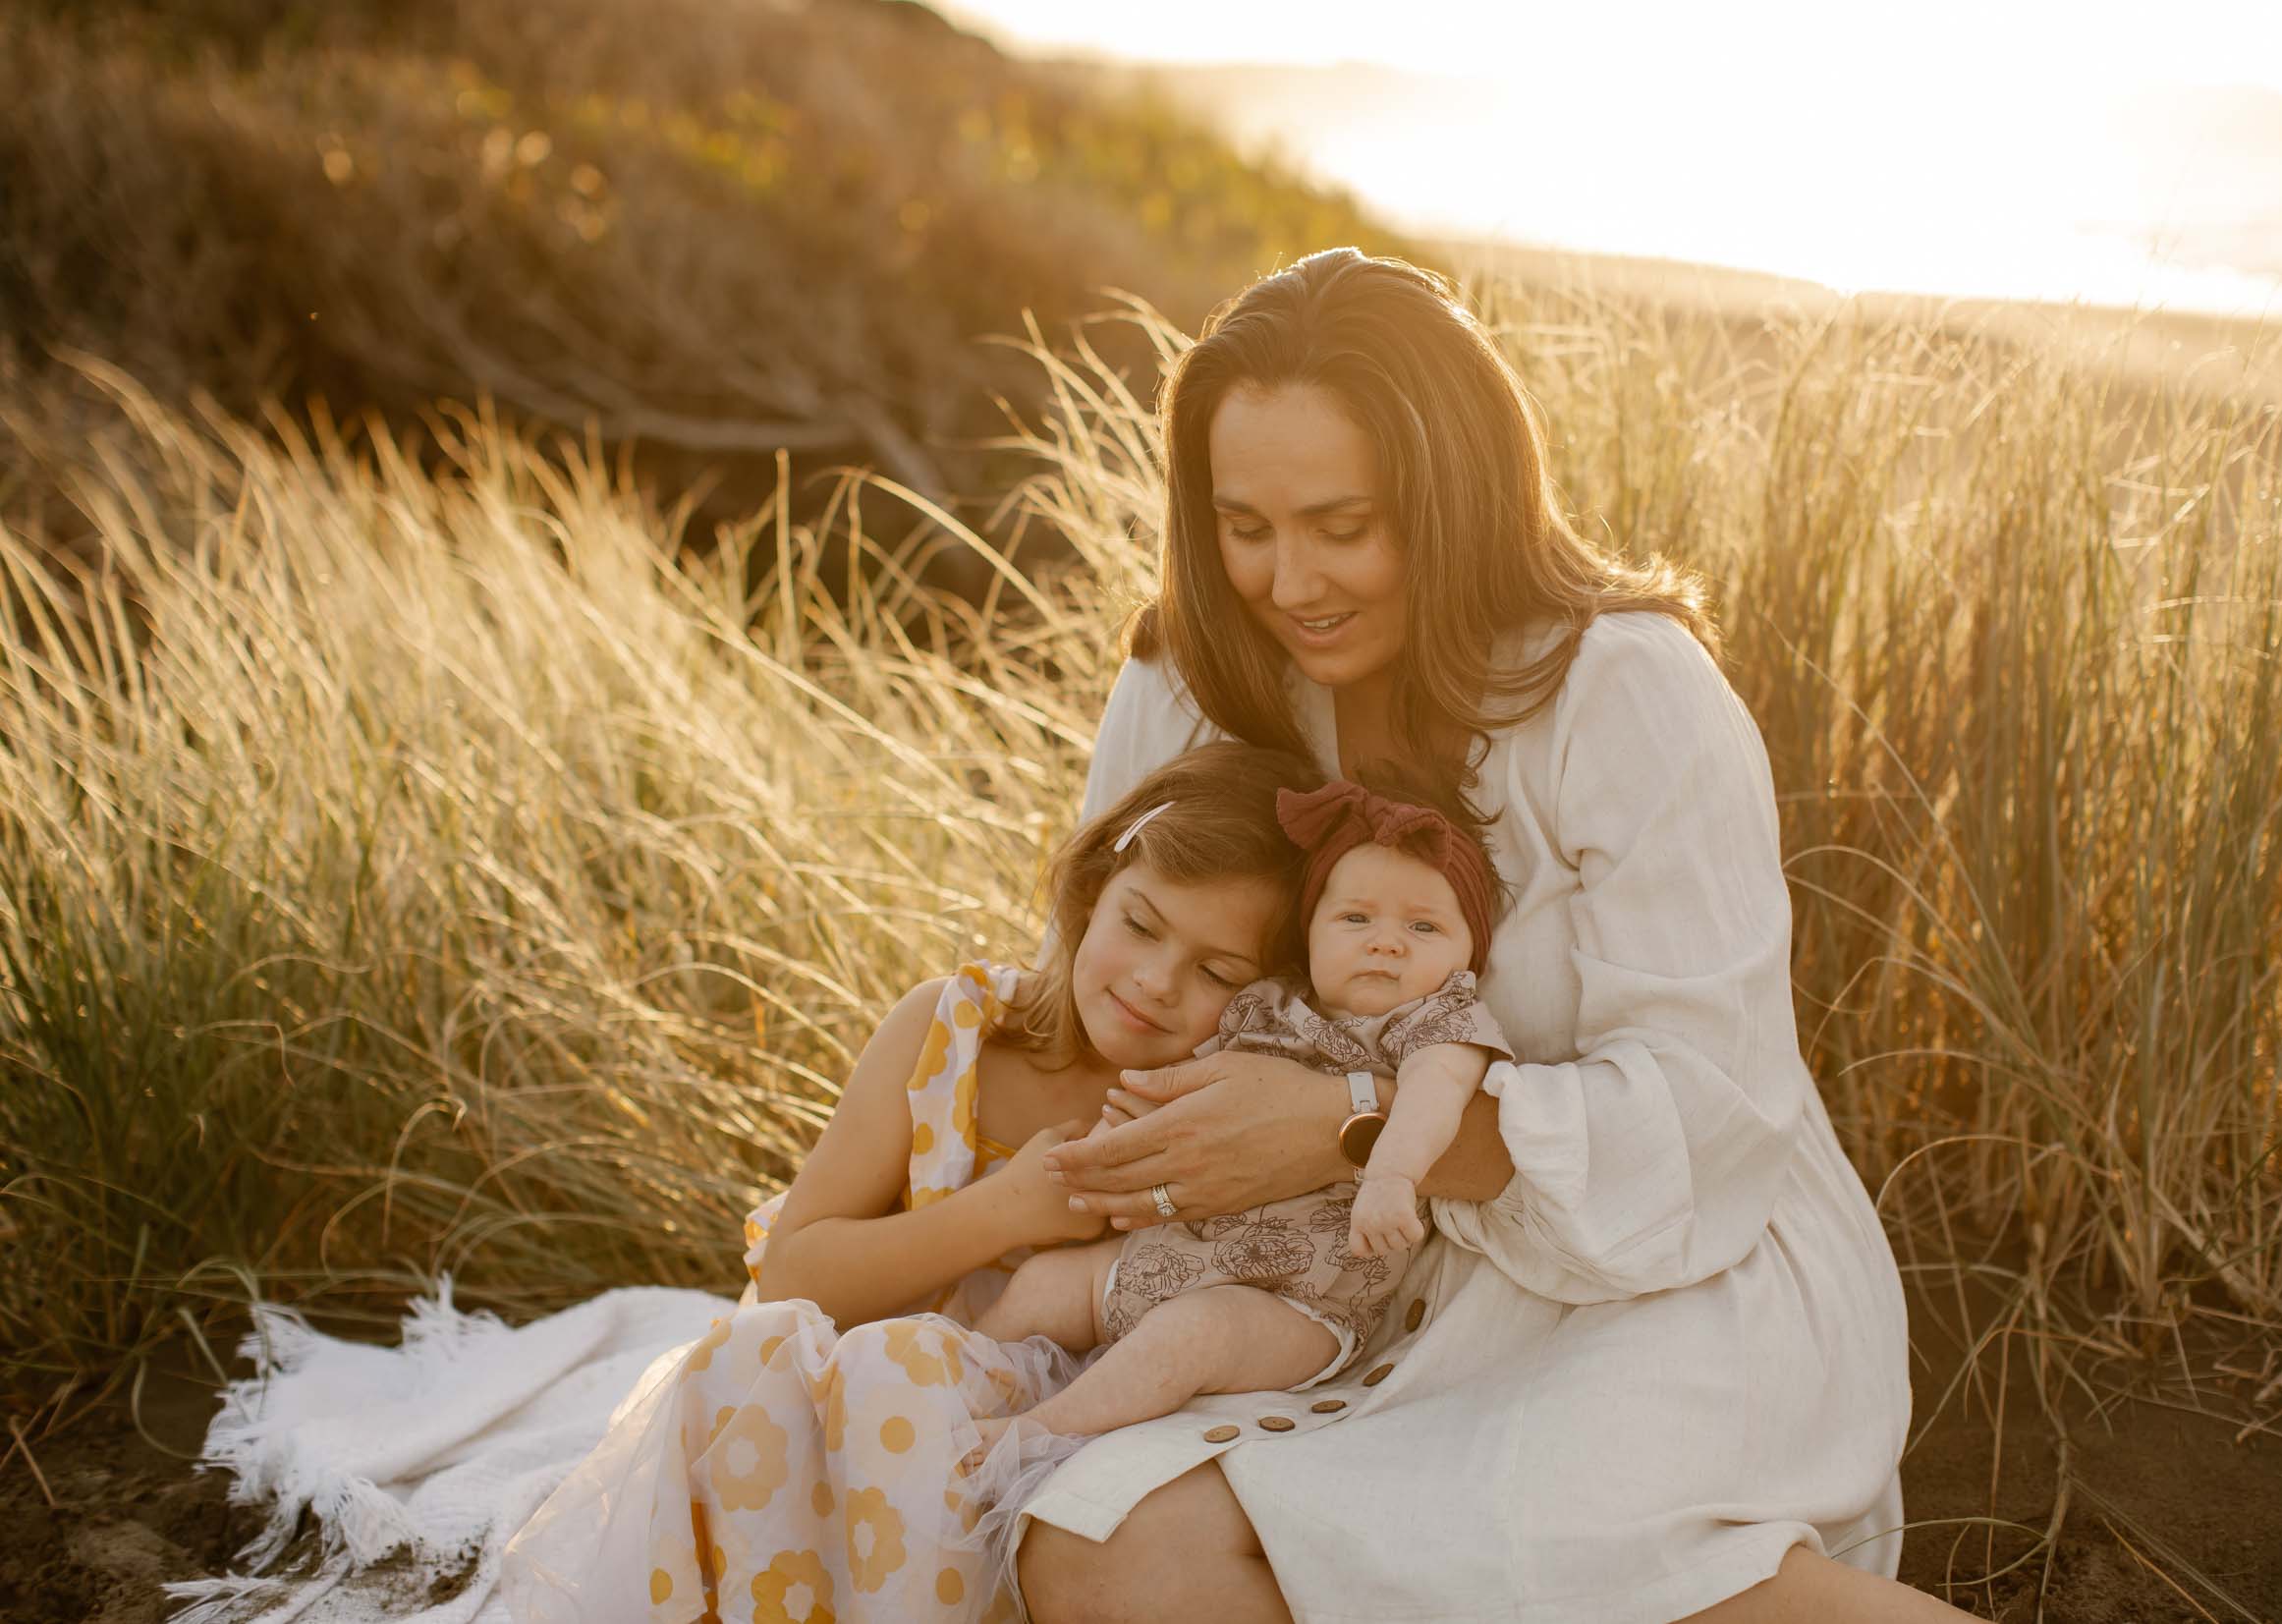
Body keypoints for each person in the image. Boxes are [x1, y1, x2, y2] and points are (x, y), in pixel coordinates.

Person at [1006, 248, 1976, 1623]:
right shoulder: (1186, 679)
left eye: (1345, 524)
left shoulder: (1629, 692)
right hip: (1313, 1281)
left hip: (1657, 1265)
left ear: (1451, 495)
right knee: (1100, 1545)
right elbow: (1104, 994)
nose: (1292, 580)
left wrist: (1350, 1122)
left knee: (1526, 1567)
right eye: (1247, 525)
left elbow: (1714, 1116)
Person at [498, 742, 1321, 1624]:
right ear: (1091, 892)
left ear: (1265, 995)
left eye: (1217, 972)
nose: (1157, 982)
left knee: (909, 1386)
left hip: (1055, 1433)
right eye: (1142, 925)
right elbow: (793, 1273)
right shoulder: (952, 1036)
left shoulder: (1221, 1108)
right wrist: (1009, 1207)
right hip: (868, 1419)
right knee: (747, 1360)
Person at [967, 777, 1511, 1453]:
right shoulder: (1268, 1003)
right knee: (1042, 1285)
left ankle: (1028, 1437)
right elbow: (1188, 1091)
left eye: (1423, 926)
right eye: (1355, 919)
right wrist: (1122, 1146)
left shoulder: (1437, 1025)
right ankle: (947, 1392)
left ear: (1470, 953)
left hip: (1297, 1302)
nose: (1386, 943)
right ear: (1309, 934)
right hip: (1174, 1253)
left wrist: (1393, 1173)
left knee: (1189, 1336)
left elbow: (1435, 1096)